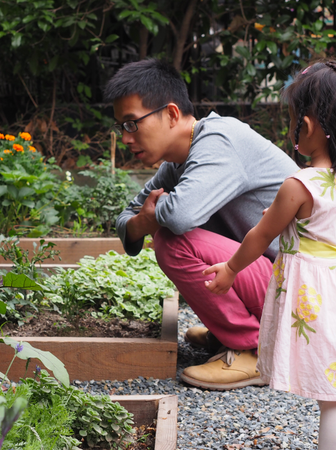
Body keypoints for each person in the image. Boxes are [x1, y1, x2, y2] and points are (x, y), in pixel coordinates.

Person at [203, 60, 336, 449]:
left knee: (330, 394)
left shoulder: (299, 184)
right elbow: (326, 224)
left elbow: (261, 237)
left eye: (294, 120)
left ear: (308, 127)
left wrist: (230, 269)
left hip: (317, 295)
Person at [106, 58, 299, 390]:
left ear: (170, 113)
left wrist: (152, 217)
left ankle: (253, 349)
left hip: (298, 292)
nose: (125, 138)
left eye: (131, 123)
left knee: (172, 241)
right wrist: (144, 220)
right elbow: (127, 221)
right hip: (271, 280)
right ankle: (237, 331)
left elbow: (179, 216)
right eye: (121, 127)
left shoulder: (220, 141)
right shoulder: (177, 163)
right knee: (173, 230)